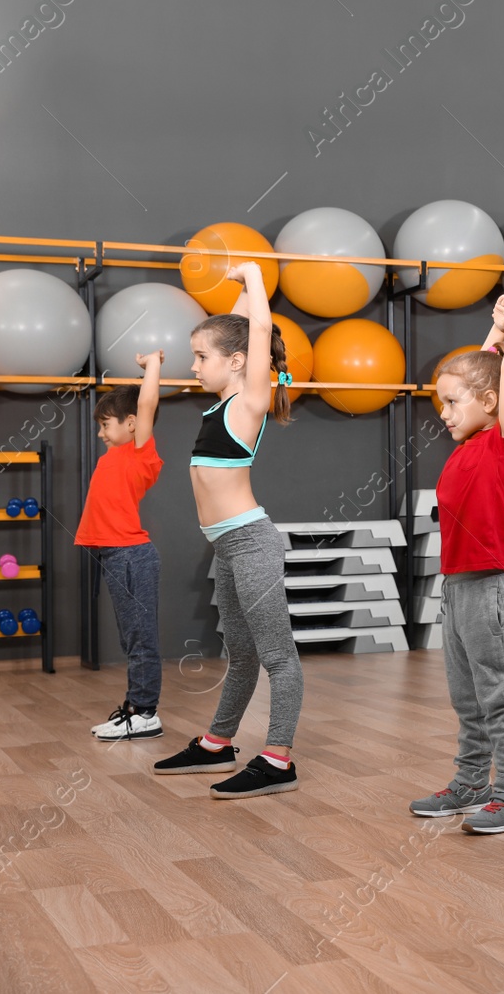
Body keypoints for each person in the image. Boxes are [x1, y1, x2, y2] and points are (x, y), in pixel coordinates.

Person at [152, 261, 305, 797]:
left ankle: (279, 758)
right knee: (240, 654)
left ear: (238, 363)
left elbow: (255, 333)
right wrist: (240, 293)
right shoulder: (223, 403)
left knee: (277, 658)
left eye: (201, 357)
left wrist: (257, 277)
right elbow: (239, 329)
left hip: (252, 543)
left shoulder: (249, 402)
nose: (194, 366)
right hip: (226, 548)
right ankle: (218, 742)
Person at [409, 295, 504, 833]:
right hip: (458, 587)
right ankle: (470, 783)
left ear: (490, 402)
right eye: (440, 403)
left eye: (451, 403)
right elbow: (482, 371)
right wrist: (491, 329)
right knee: (467, 697)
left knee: (497, 695)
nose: (443, 413)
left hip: (490, 587)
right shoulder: (467, 443)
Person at [79, 351, 166, 742]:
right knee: (131, 636)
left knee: (140, 637)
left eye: (105, 424)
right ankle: (136, 707)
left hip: (130, 556)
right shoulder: (115, 454)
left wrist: (151, 368)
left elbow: (146, 403)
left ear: (132, 424)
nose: (101, 433)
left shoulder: (139, 454)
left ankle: (144, 712)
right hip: (116, 556)